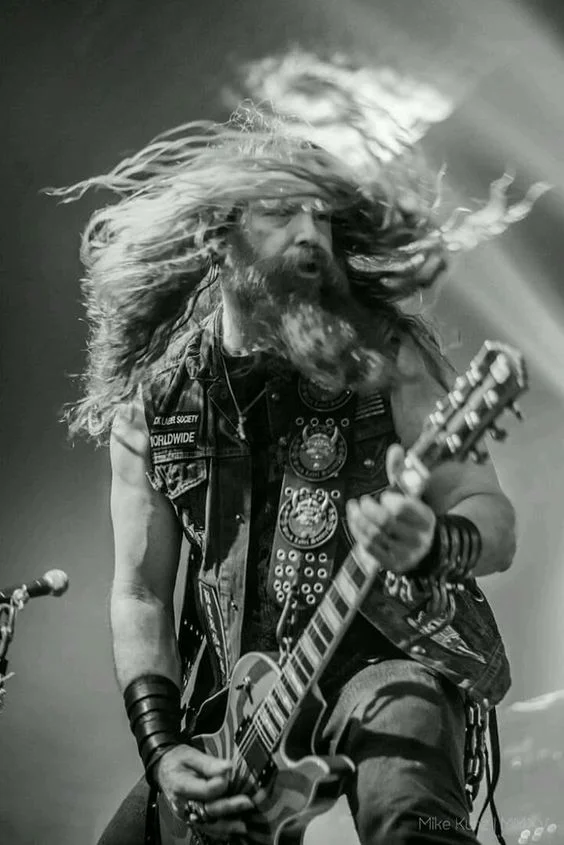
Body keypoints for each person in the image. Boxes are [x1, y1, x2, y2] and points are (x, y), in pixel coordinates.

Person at [56, 107, 524, 845]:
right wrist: (164, 749)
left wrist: (435, 543)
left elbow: (490, 514)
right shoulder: (157, 402)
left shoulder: (387, 353)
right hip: (238, 715)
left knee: (409, 803)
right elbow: (139, 592)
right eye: (281, 211)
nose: (312, 233)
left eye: (323, 216)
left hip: (384, 658)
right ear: (218, 235)